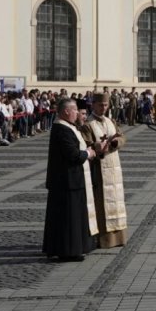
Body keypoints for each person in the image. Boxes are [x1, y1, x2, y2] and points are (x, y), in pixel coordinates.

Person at [43, 99, 97, 261]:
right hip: (66, 181)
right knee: (68, 219)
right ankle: (67, 251)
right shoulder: (62, 129)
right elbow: (72, 155)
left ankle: (73, 249)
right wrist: (88, 153)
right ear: (66, 111)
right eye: (75, 110)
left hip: (71, 180)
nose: (77, 113)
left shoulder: (68, 127)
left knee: (72, 217)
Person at [84, 95, 129, 248]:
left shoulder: (111, 121)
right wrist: (100, 146)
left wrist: (116, 142)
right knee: (101, 203)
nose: (103, 108)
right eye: (100, 105)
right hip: (99, 168)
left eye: (105, 105)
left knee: (116, 202)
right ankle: (103, 239)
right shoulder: (88, 124)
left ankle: (118, 238)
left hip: (114, 166)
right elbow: (87, 144)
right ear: (93, 105)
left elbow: (122, 137)